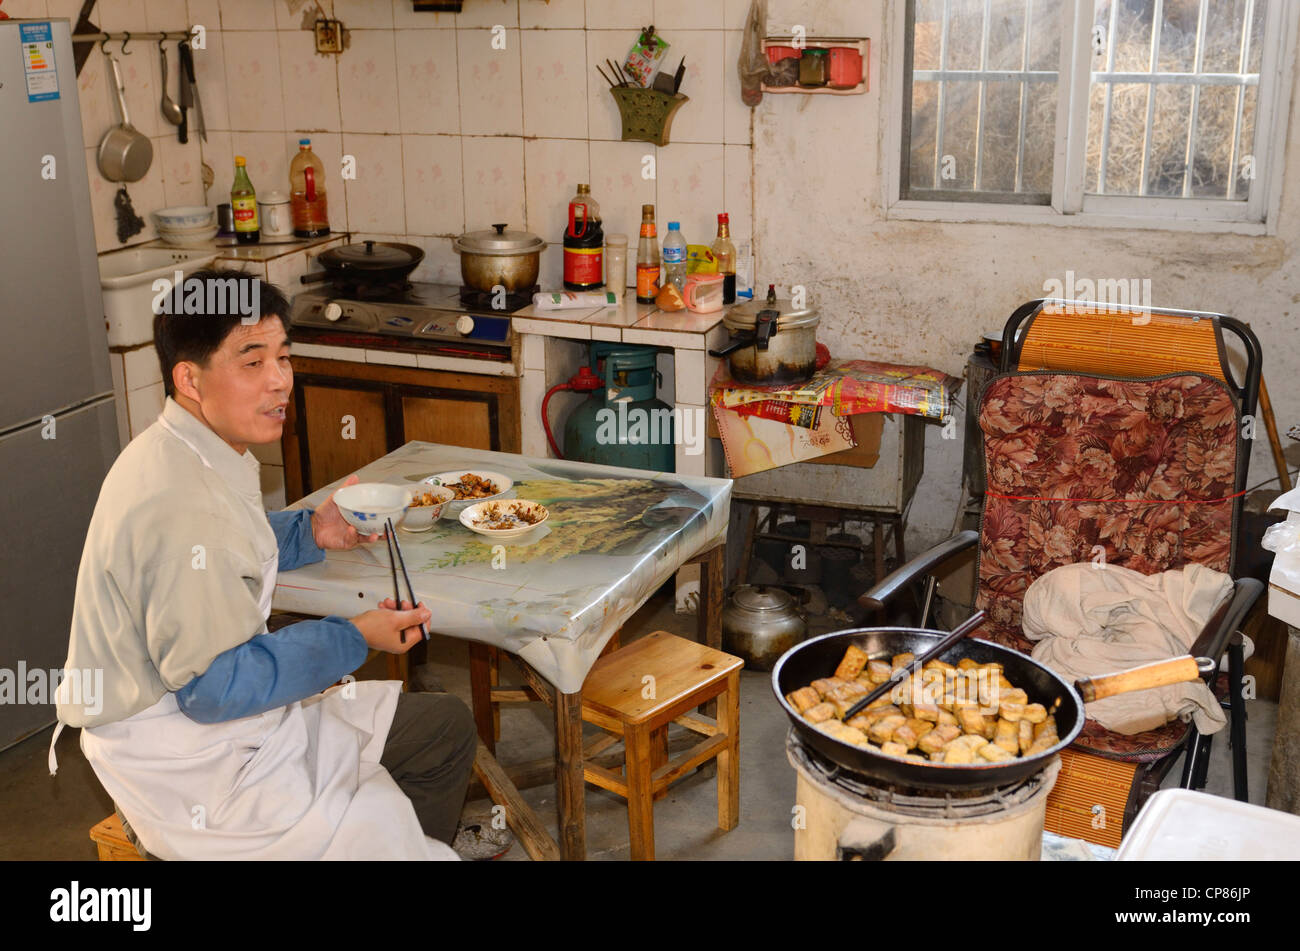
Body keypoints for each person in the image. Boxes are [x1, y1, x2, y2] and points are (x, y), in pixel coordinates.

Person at [50, 269, 476, 860]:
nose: (280, 382)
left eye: (284, 356)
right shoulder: (179, 503)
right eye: (252, 362)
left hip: (213, 719)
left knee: (443, 728)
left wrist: (310, 530)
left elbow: (221, 549)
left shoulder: (178, 448)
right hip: (189, 757)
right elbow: (213, 688)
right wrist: (352, 638)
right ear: (189, 379)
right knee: (377, 813)